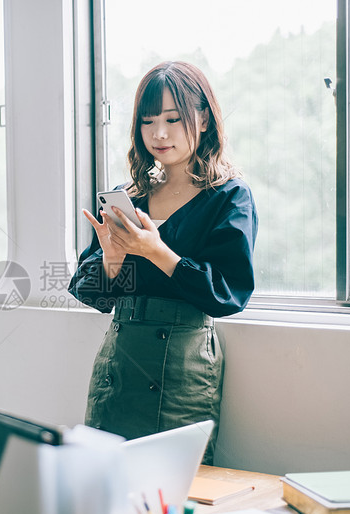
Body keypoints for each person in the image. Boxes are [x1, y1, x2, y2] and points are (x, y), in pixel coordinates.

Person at [68, 61, 258, 465]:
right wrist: (113, 260)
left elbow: (228, 293)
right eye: (148, 121)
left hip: (182, 369)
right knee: (101, 486)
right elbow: (88, 290)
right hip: (118, 363)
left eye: (173, 119)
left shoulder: (229, 196)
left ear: (203, 118)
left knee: (171, 495)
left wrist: (156, 250)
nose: (159, 133)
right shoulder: (128, 196)